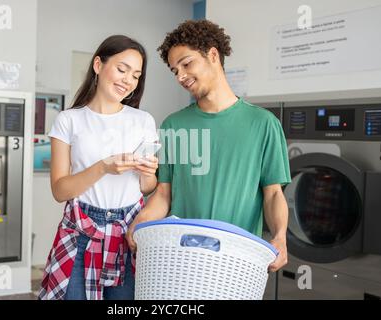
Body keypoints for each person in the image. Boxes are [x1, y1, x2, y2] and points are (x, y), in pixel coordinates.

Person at [126, 20, 291, 273]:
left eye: (186, 63)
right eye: (174, 70)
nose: (180, 76)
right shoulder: (174, 124)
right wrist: (142, 221)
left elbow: (273, 194)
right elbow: (163, 193)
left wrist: (280, 236)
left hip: (238, 260)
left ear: (213, 55)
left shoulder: (264, 124)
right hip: (181, 258)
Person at [39, 35, 159, 300]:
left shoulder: (143, 121)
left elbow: (148, 188)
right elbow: (60, 190)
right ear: (97, 64)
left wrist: (148, 173)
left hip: (129, 232)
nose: (128, 80)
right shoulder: (68, 120)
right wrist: (103, 167)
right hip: (80, 233)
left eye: (136, 75)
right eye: (121, 69)